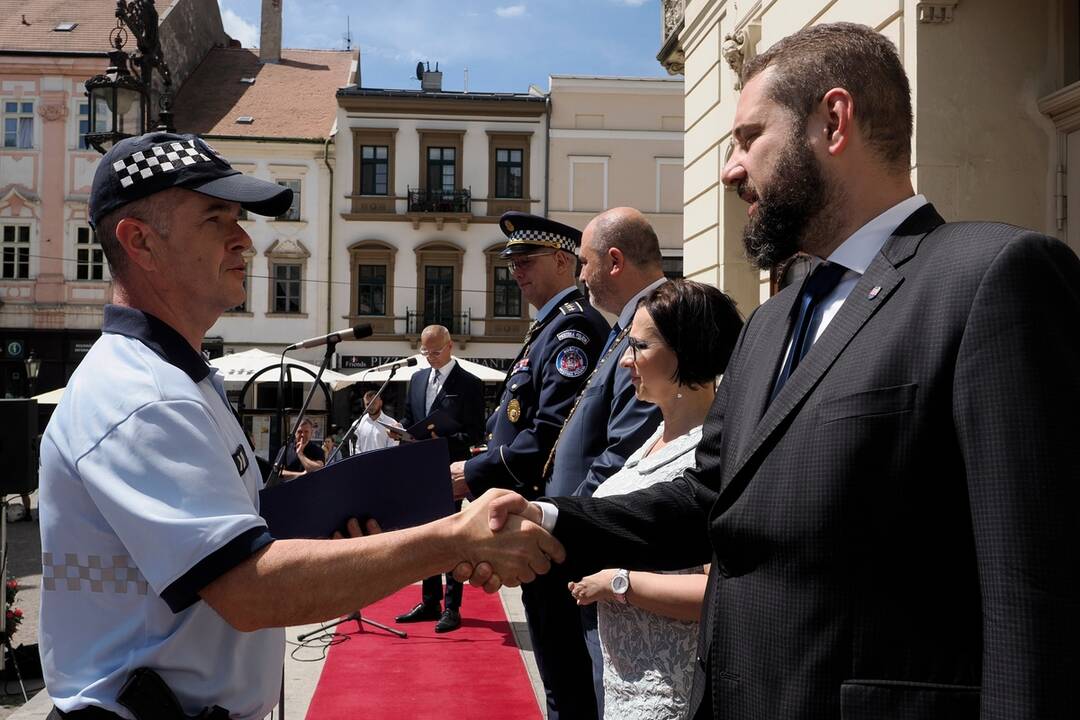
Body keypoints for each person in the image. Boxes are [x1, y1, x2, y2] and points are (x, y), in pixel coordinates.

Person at [466, 22, 1080, 719]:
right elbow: (707, 500)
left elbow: (1038, 597)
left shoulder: (990, 279)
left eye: (749, 137)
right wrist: (547, 516)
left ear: (834, 121)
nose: (731, 168)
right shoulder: (768, 323)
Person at [37, 131, 565, 720]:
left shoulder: (179, 379)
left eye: (239, 218)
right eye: (216, 219)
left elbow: (248, 537)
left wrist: (348, 535)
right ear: (140, 242)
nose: (244, 240)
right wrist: (452, 538)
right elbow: (249, 590)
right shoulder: (142, 397)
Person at [450, 212, 608, 715]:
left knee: (567, 678)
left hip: (551, 522)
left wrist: (470, 475)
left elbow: (549, 436)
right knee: (557, 673)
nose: (515, 271)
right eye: (511, 262)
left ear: (563, 261)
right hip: (534, 519)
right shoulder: (547, 330)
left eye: (526, 260)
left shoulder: (573, 330)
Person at [565, 279, 741, 719]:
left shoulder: (713, 455)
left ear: (683, 354)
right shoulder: (651, 440)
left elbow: (716, 591)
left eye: (640, 347)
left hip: (672, 697)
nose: (626, 360)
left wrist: (619, 584)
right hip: (624, 688)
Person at [532, 207, 667, 718]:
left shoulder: (656, 323)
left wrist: (562, 518)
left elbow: (623, 452)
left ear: (613, 260)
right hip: (584, 537)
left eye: (584, 262)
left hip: (597, 542)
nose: (580, 275)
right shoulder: (627, 325)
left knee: (594, 689)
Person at [395, 324, 485, 633]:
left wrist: (441, 434)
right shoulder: (417, 379)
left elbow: (474, 431)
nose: (430, 357)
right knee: (426, 536)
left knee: (449, 537)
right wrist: (403, 431)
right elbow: (410, 417)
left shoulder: (469, 383)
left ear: (449, 347)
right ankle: (429, 601)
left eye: (435, 351)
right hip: (421, 469)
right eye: (424, 352)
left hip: (451, 468)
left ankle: (452, 606)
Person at [351, 389, 401, 454]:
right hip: (362, 463)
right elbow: (355, 449)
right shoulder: (357, 424)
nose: (370, 406)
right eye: (368, 404)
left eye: (373, 403)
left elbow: (393, 450)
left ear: (381, 402)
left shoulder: (392, 424)